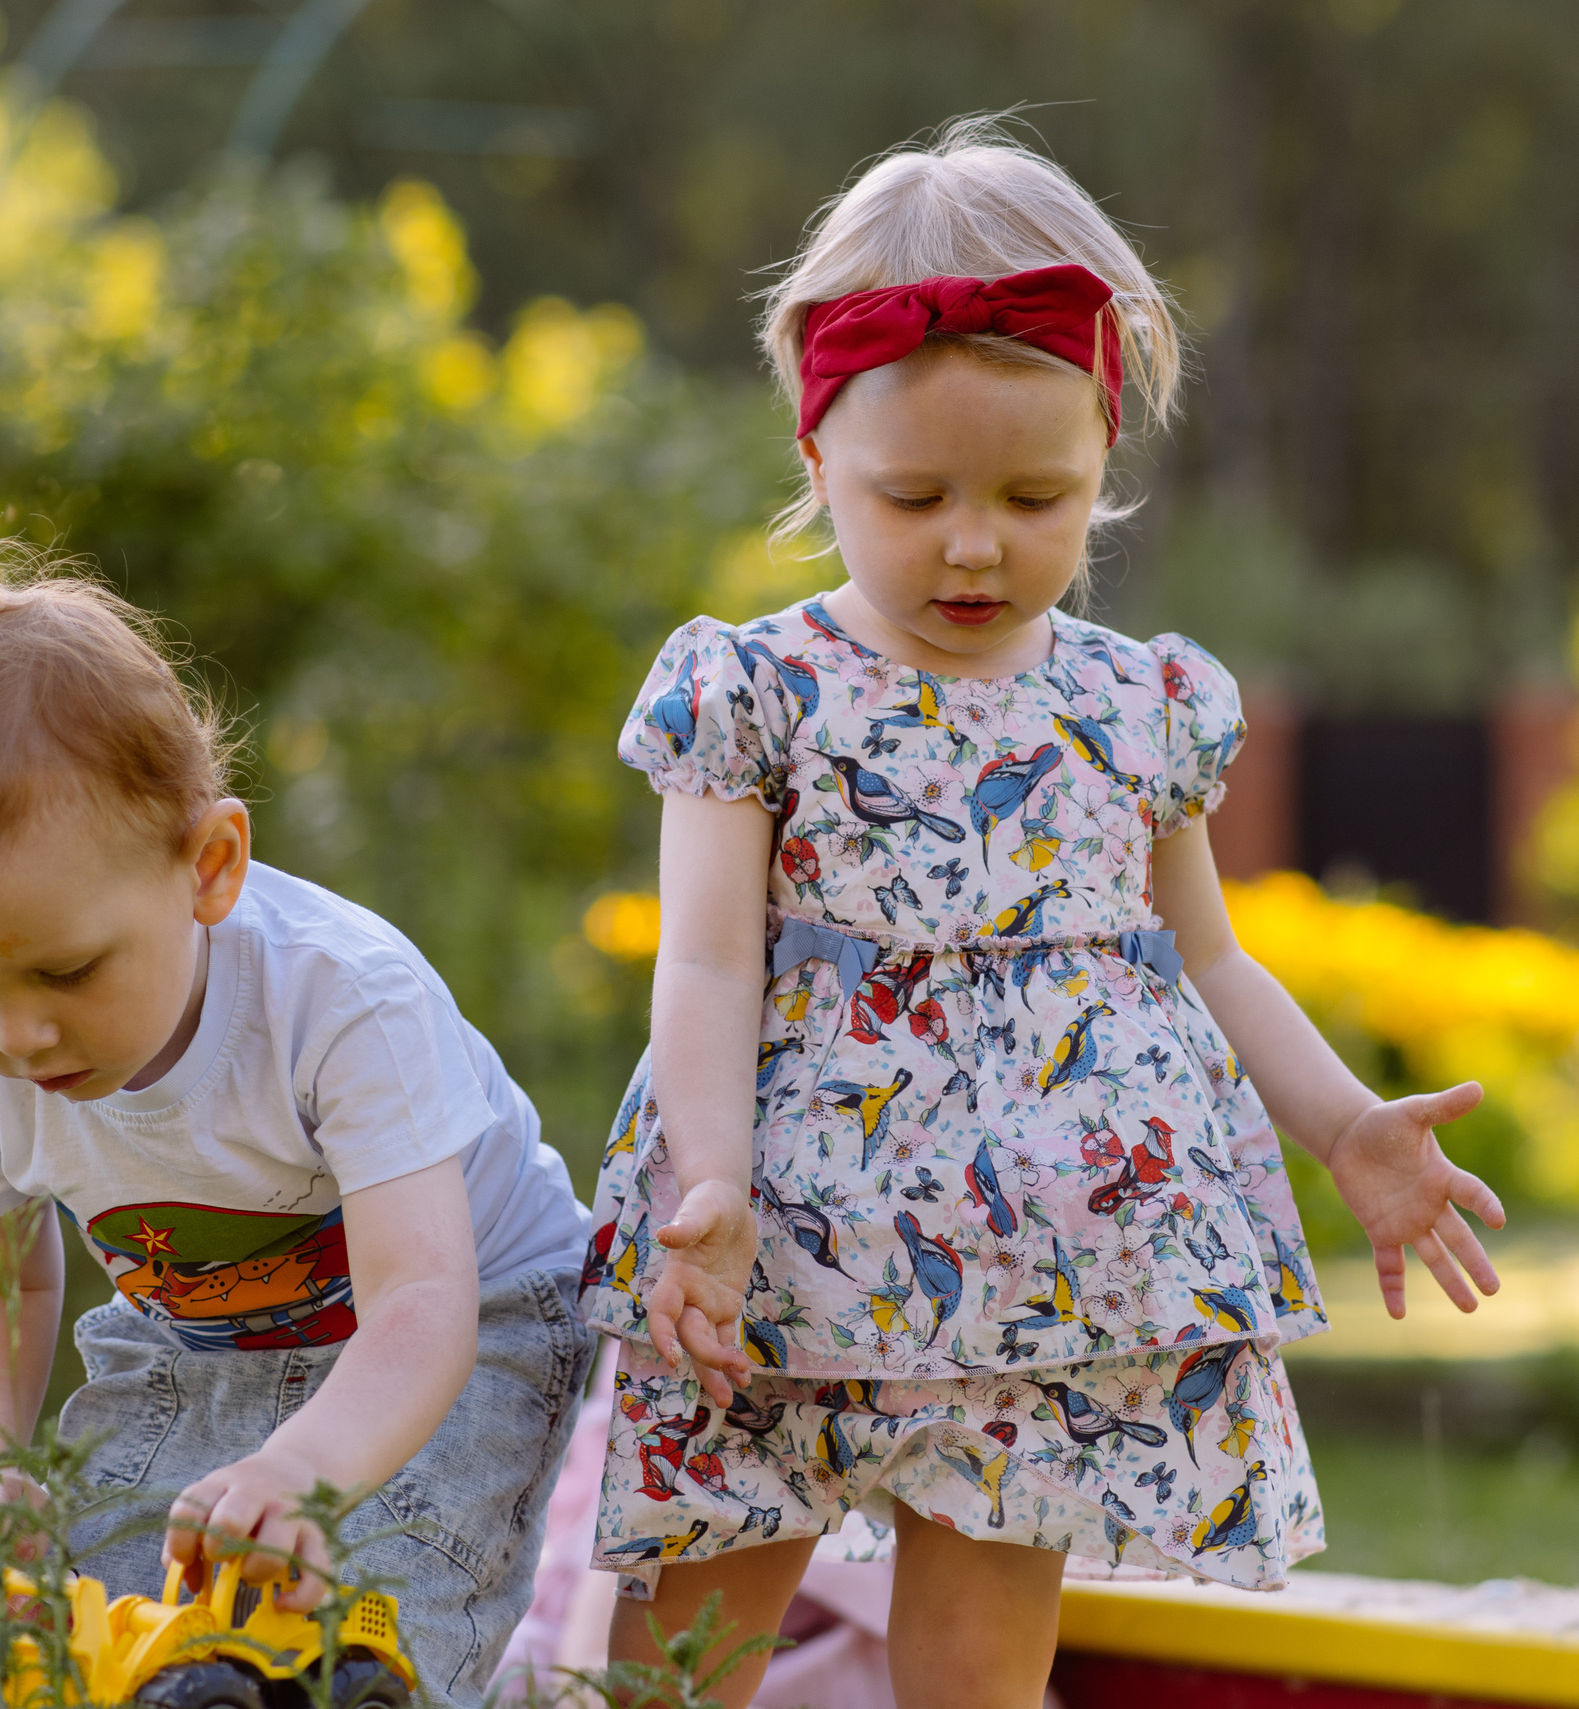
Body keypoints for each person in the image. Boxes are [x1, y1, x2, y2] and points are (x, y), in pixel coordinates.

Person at [579, 119, 1508, 1709]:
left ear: (1103, 460)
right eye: (915, 492)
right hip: (781, 1241)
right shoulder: (759, 689)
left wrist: (1346, 1125)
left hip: (1054, 1274)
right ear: (818, 453)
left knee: (979, 1668)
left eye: (1036, 494)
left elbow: (1208, 954)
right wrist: (711, 1179)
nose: (975, 541)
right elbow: (715, 957)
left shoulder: (1138, 703)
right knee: (682, 1657)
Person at [0, 554, 593, 1706]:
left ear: (210, 866)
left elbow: (424, 1298)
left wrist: (303, 1466)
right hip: (195, 1333)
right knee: (87, 1620)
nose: (18, 1033)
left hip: (466, 1318)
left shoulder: (339, 996)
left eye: (66, 970)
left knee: (368, 1600)